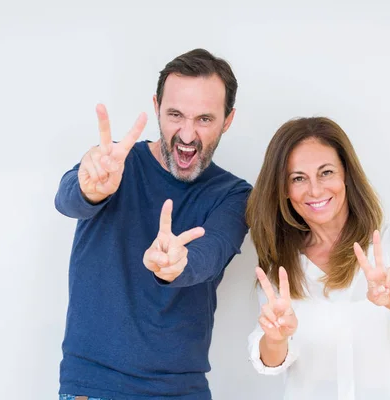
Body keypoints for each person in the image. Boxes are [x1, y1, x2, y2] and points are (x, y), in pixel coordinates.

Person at [54, 48, 252, 400]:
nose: (188, 135)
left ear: (228, 119)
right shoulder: (113, 163)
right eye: (175, 114)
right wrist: (90, 190)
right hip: (95, 387)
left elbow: (210, 253)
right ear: (157, 106)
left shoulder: (233, 195)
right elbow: (67, 199)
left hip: (182, 391)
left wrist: (177, 263)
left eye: (204, 119)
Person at [246, 117, 390, 400]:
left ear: (346, 175)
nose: (315, 190)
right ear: (284, 190)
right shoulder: (278, 273)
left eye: (326, 172)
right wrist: (276, 337)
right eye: (298, 178)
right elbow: (270, 362)